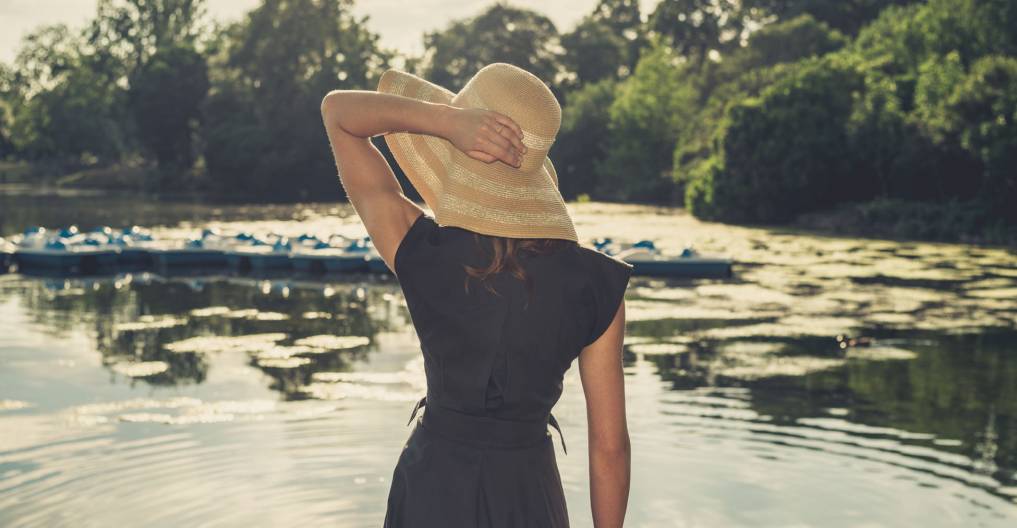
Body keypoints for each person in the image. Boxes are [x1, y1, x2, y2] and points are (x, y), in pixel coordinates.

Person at [320, 62, 633, 527]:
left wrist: (444, 121)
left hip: (431, 491)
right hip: (529, 497)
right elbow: (609, 448)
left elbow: (338, 113)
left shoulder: (420, 250)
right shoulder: (595, 284)